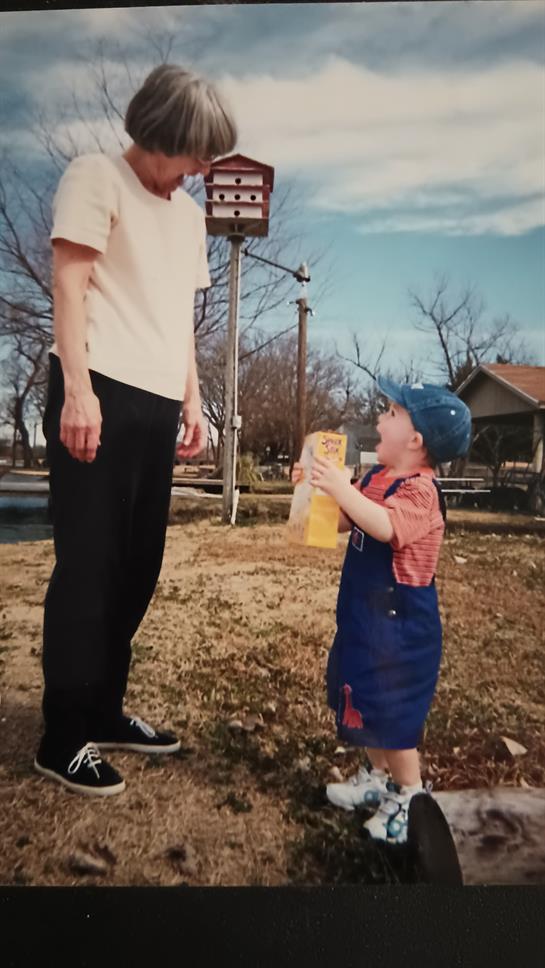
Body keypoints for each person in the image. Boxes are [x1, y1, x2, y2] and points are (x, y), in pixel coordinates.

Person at [34, 64, 237, 797]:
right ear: (161, 135)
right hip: (99, 389)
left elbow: (179, 315)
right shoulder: (96, 177)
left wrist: (193, 399)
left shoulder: (186, 216)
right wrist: (78, 392)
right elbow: (69, 283)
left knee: (138, 565)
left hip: (157, 398)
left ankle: (103, 708)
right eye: (197, 153)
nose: (203, 169)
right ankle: (62, 734)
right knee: (88, 564)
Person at [292, 378, 471, 843]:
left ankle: (410, 797)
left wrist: (341, 486)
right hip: (364, 619)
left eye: (391, 414)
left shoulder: (421, 492)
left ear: (417, 440)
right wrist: (319, 491)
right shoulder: (375, 478)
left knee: (394, 717)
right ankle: (377, 780)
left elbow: (385, 526)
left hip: (400, 628)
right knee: (366, 701)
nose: (378, 420)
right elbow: (350, 519)